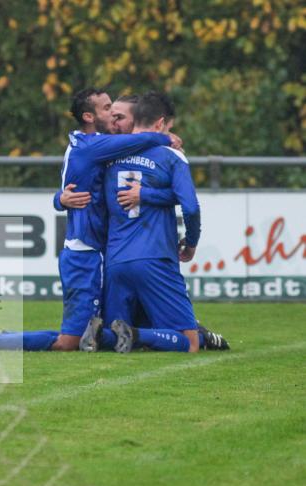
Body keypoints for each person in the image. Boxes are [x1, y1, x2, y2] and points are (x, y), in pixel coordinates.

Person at [0, 88, 175, 352]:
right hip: (85, 255)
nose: (113, 117)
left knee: (107, 331)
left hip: (100, 253)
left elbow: (72, 187)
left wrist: (60, 199)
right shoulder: (91, 147)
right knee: (69, 342)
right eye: (106, 110)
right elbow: (137, 141)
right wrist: (163, 137)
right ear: (89, 116)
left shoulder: (90, 145)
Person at [90, 91, 227, 353]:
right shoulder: (170, 155)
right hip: (155, 257)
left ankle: (101, 335)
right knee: (190, 342)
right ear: (161, 123)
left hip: (116, 260)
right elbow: (190, 207)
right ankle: (136, 334)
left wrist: (145, 194)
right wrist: (192, 242)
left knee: (112, 337)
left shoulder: (109, 154)